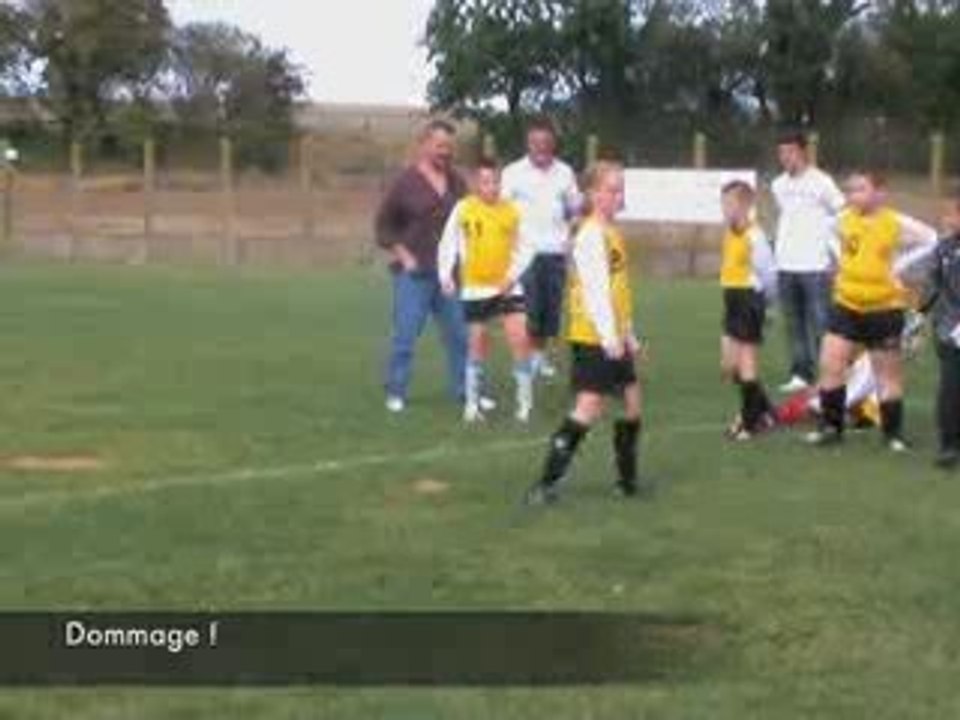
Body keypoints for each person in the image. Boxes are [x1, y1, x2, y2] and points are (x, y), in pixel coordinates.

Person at [524, 161, 649, 505]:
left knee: (632, 405)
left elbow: (619, 291)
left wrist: (628, 333)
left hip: (613, 336)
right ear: (593, 194)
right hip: (594, 337)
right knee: (588, 407)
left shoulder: (612, 232)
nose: (618, 196)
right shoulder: (591, 234)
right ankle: (545, 484)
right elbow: (596, 292)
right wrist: (610, 338)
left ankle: (626, 482)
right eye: (612, 189)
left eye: (621, 189)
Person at [806, 171, 937, 451]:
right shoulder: (843, 220)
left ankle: (893, 435)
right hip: (846, 305)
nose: (853, 195)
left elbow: (931, 239)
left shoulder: (895, 222)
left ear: (879, 192)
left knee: (886, 375)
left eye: (860, 189)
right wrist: (840, 260)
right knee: (831, 364)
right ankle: (831, 428)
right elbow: (827, 232)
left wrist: (898, 266)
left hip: (883, 309)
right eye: (851, 190)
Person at [375, 119, 472, 414]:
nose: (446, 151)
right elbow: (383, 227)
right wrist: (404, 255)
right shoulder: (405, 183)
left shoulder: (457, 182)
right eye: (440, 145)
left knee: (459, 336)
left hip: (448, 276)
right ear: (424, 144)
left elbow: (469, 222)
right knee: (405, 336)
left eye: (449, 147)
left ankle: (465, 391)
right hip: (414, 275)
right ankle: (396, 391)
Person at [438, 158, 536, 423]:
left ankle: (525, 405)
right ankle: (472, 405)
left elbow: (527, 247)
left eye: (495, 182)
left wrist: (511, 277)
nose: (491, 187)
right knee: (478, 343)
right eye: (485, 182)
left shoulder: (512, 210)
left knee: (520, 339)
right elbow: (448, 242)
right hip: (476, 288)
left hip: (507, 287)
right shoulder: (464, 209)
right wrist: (445, 274)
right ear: (475, 183)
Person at [502, 118, 582, 380]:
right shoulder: (513, 172)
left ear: (553, 143)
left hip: (556, 251)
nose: (541, 147)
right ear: (528, 143)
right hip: (525, 254)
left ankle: (539, 357)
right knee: (528, 310)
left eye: (546, 142)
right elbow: (501, 211)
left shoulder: (565, 172)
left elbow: (574, 208)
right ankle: (524, 361)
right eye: (535, 142)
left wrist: (574, 226)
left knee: (550, 312)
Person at [772, 131, 846, 393]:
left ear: (803, 152)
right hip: (786, 264)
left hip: (815, 264)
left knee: (821, 322)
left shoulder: (822, 182)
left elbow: (842, 212)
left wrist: (833, 251)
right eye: (781, 152)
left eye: (790, 151)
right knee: (794, 324)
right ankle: (801, 373)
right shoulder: (778, 185)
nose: (785, 157)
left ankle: (830, 373)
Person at [718, 181, 778, 441]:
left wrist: (768, 305)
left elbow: (770, 275)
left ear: (745, 205)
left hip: (749, 301)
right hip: (732, 300)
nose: (724, 209)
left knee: (746, 364)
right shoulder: (729, 233)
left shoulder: (755, 236)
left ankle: (749, 422)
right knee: (730, 365)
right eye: (723, 203)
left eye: (729, 203)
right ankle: (765, 410)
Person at [921, 190, 960, 469]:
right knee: (951, 385)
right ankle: (949, 444)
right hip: (949, 329)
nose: (947, 219)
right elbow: (932, 283)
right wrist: (919, 314)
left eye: (953, 214)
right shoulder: (944, 247)